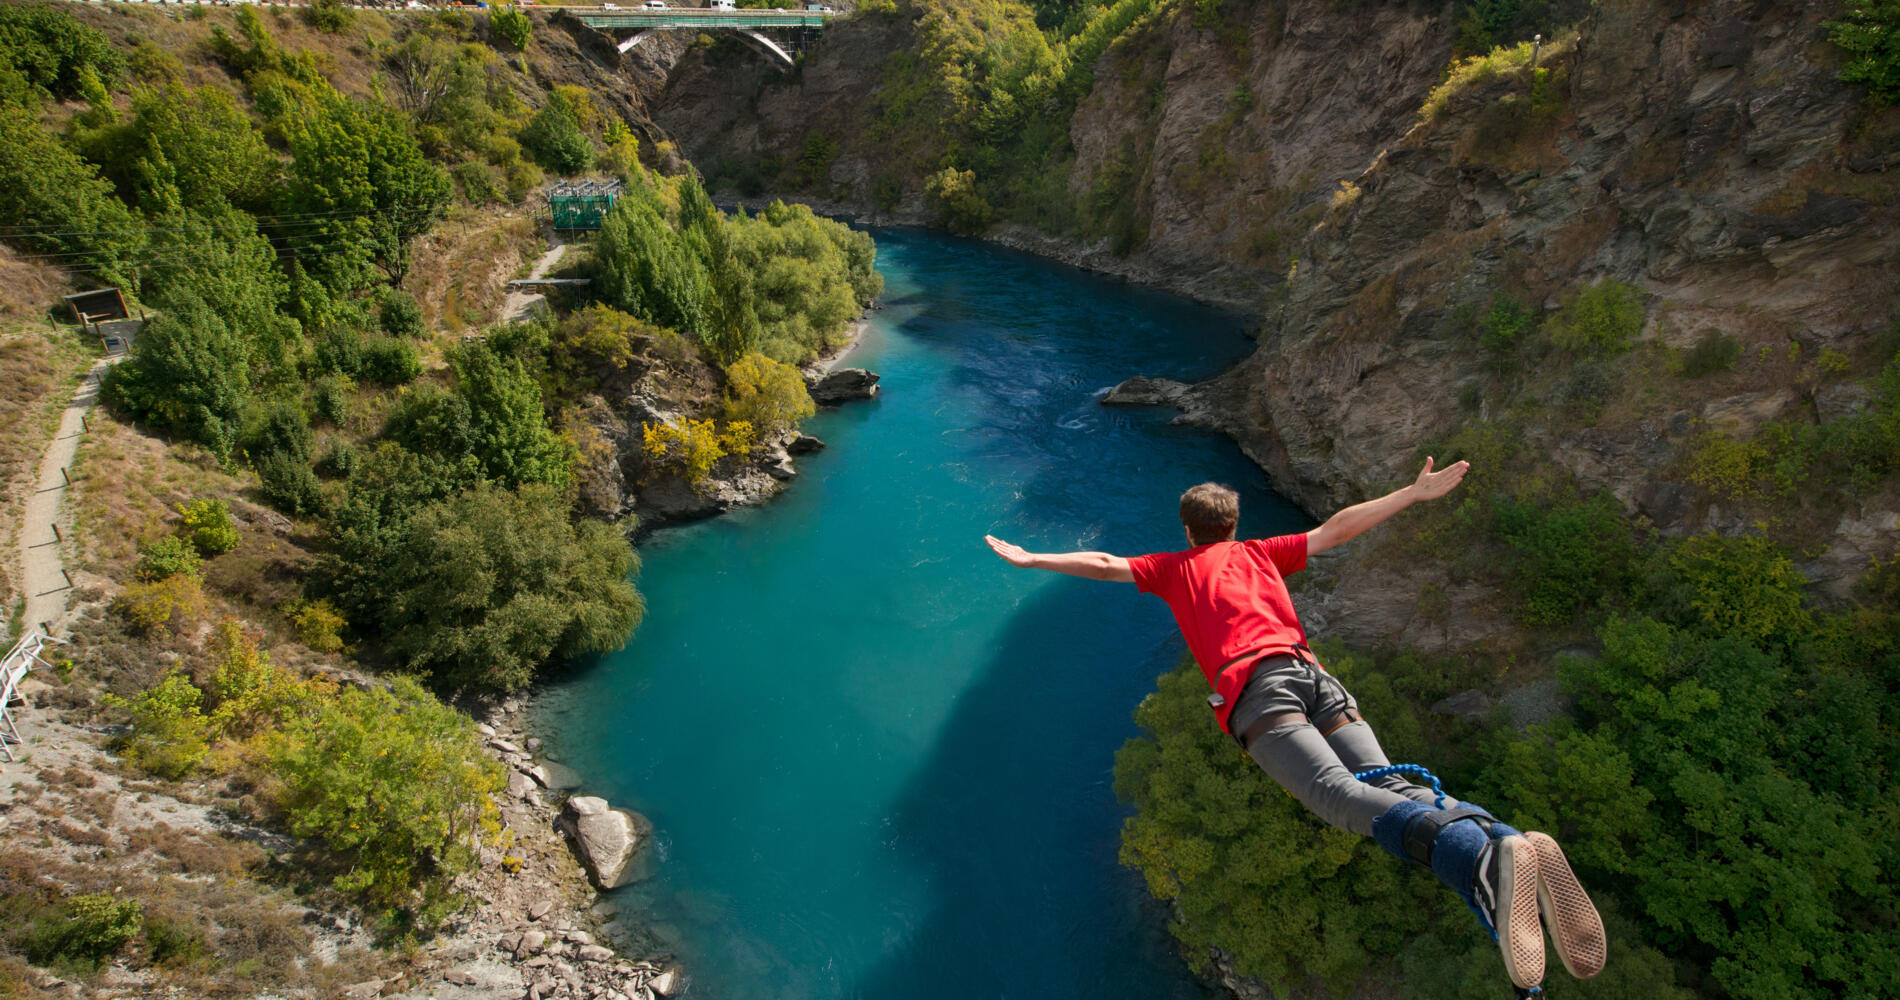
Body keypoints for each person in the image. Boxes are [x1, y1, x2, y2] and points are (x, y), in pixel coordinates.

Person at [984, 458, 1605, 992]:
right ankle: (1500, 837)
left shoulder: (1174, 568)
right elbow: (1338, 529)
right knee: (1390, 785)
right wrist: (1411, 494)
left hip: (1258, 690)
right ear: (1233, 524)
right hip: (1316, 677)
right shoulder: (1261, 553)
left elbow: (1104, 562)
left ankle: (1478, 861)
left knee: (1335, 796)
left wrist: (1033, 558)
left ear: (1188, 530)